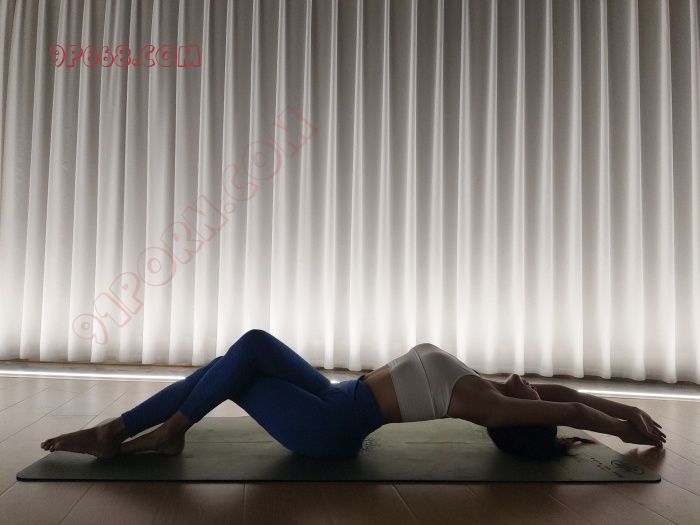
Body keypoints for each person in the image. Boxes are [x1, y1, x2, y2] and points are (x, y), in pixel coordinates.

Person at [40, 329, 665, 461]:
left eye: (532, 401)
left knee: (241, 357)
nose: (532, 384)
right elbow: (567, 393)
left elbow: (566, 407)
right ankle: (122, 430)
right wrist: (623, 406)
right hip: (334, 396)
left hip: (329, 427)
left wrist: (620, 427)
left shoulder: (488, 405)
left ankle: (156, 431)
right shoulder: (491, 386)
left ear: (519, 416)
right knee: (232, 361)